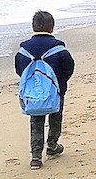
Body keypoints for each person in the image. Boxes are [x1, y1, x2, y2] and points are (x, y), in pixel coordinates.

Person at [14, 10, 75, 170]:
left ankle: (35, 157)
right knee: (55, 117)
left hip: (32, 93)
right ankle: (52, 145)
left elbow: (19, 70)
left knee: (36, 121)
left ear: (33, 27)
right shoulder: (59, 49)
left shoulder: (23, 50)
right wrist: (60, 82)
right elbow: (69, 67)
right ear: (52, 28)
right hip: (56, 91)